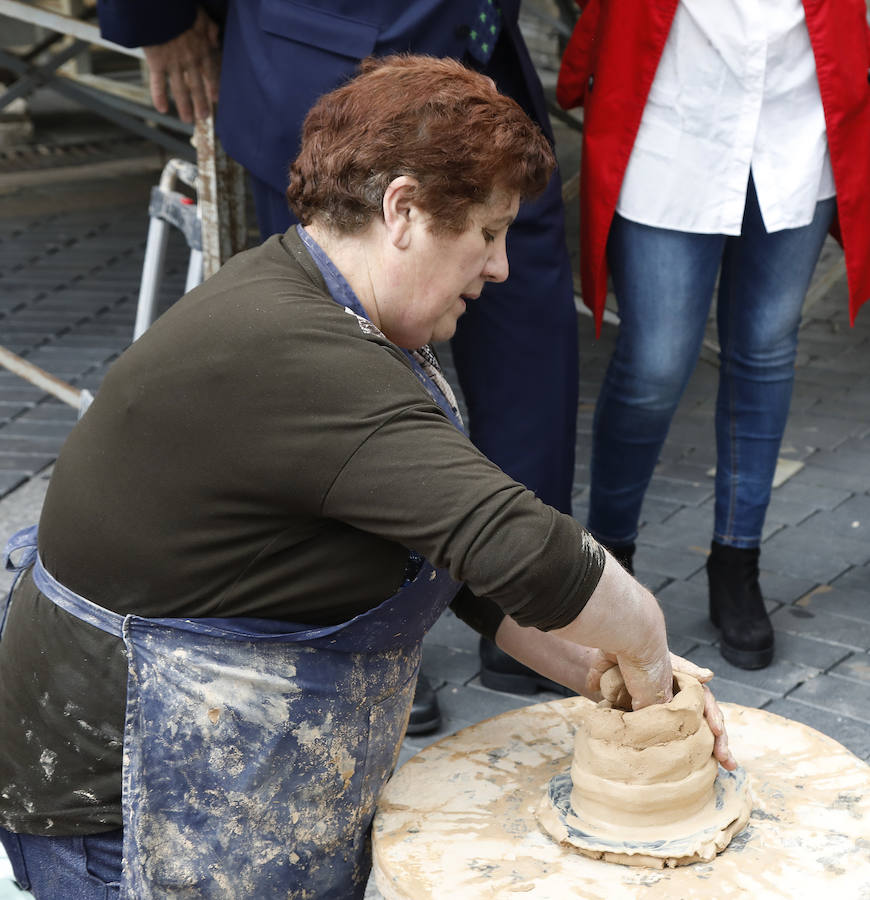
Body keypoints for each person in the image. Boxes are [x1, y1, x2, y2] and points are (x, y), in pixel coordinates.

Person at [0, 57, 733, 899]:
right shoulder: (296, 354)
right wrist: (641, 637)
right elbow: (519, 547)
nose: (498, 268)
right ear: (404, 210)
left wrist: (586, 662)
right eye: (488, 233)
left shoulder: (328, 304)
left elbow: (436, 545)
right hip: (130, 809)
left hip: (237, 782)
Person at [95, 0, 583, 727]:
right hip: (324, 57)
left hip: (479, 51)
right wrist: (157, 18)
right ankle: (366, 626)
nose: (496, 263)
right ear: (402, 209)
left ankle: (528, 616)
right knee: (348, 368)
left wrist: (565, 600)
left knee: (531, 358)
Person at [557, 0, 870, 670]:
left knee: (764, 352)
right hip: (675, 115)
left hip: (798, 120)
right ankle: (609, 561)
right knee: (656, 363)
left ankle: (737, 561)